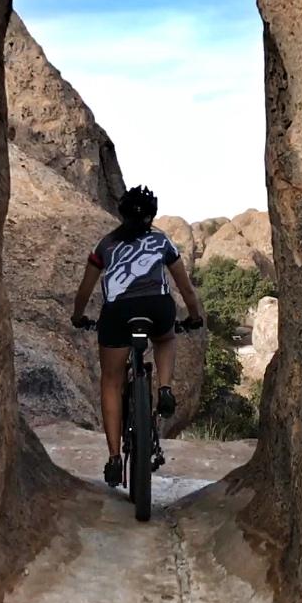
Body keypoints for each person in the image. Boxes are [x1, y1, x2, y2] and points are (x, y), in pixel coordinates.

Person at [70, 185, 204, 488]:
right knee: (166, 338)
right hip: (157, 308)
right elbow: (186, 288)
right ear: (152, 215)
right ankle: (165, 387)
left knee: (112, 381)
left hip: (117, 314)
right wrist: (195, 317)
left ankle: (115, 458)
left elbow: (84, 290)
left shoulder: (105, 245)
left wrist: (78, 317)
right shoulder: (161, 241)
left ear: (122, 212)